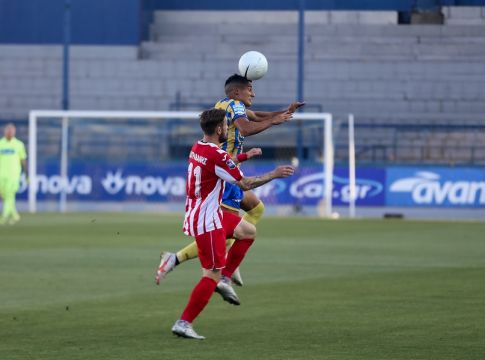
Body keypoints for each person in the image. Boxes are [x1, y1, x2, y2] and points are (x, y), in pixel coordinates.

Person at [156, 74, 304, 288]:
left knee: (256, 209)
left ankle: (227, 264)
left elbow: (254, 115)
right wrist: (274, 120)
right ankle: (189, 263)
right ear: (237, 92)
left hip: (231, 171)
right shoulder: (234, 107)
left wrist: (284, 112)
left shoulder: (226, 104)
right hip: (225, 177)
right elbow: (245, 128)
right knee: (224, 232)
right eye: (249, 88)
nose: (253, 93)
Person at [171, 109, 294, 339]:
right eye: (227, 125)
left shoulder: (198, 147)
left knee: (248, 231)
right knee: (211, 276)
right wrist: (274, 174)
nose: (229, 128)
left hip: (201, 213)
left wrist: (245, 156)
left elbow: (220, 165)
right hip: (208, 220)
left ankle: (227, 275)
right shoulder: (219, 156)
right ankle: (184, 322)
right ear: (219, 129)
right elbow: (245, 184)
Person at [0, 123, 27, 225]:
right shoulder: (0, 143)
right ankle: (15, 216)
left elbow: (23, 160)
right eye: (8, 130)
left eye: (12, 130)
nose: (10, 132)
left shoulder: (19, 145)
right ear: (5, 131)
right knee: (5, 196)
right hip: (1, 174)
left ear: (14, 132)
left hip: (13, 174)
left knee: (10, 195)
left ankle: (4, 216)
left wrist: (26, 174)